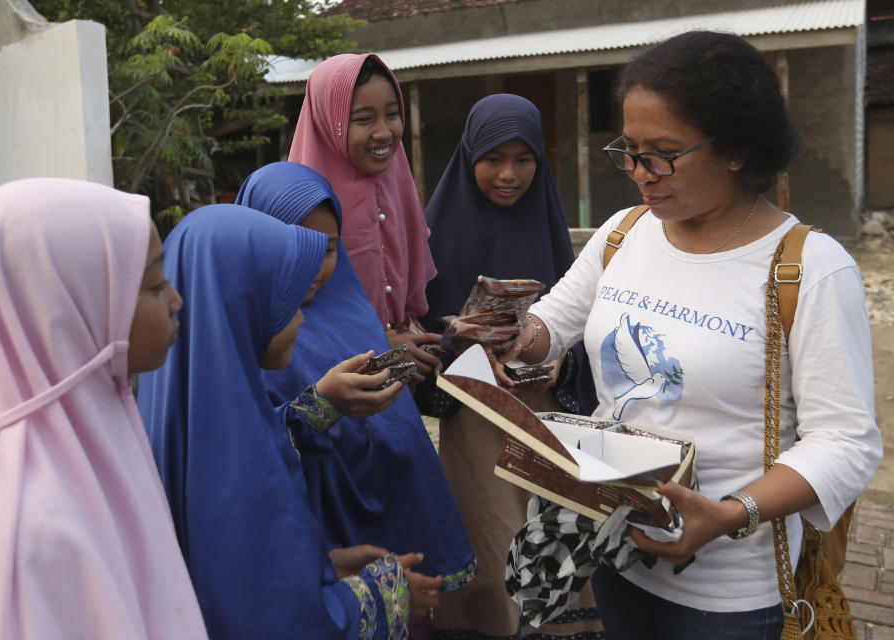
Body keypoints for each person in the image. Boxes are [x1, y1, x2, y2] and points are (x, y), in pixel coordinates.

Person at [498, 31, 882, 639]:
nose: (640, 174)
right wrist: (515, 339)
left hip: (730, 592)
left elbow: (846, 443)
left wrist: (733, 513)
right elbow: (557, 319)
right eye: (628, 150)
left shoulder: (807, 265)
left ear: (733, 149)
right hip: (619, 552)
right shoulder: (625, 232)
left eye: (663, 154)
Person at [136, 204, 439, 638]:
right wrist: (385, 594)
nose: (301, 317)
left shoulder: (195, 414)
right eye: (286, 302)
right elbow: (276, 618)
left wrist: (323, 565)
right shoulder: (238, 468)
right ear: (243, 306)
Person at [0, 178, 207, 638]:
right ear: (61, 312)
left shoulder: (87, 437)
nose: (177, 300)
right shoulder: (28, 534)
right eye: (156, 284)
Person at [421, 94, 602, 639]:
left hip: (547, 424)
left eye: (524, 159)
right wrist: (465, 349)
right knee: (497, 539)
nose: (509, 174)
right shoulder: (433, 239)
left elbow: (583, 332)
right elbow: (421, 347)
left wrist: (558, 365)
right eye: (493, 158)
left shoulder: (552, 229)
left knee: (556, 541)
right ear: (469, 154)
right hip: (476, 422)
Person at [289, 53, 442, 381]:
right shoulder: (300, 206)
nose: (384, 133)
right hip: (331, 389)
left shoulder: (395, 183)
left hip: (398, 385)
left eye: (392, 114)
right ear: (329, 122)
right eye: (363, 119)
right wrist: (375, 342)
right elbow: (294, 318)